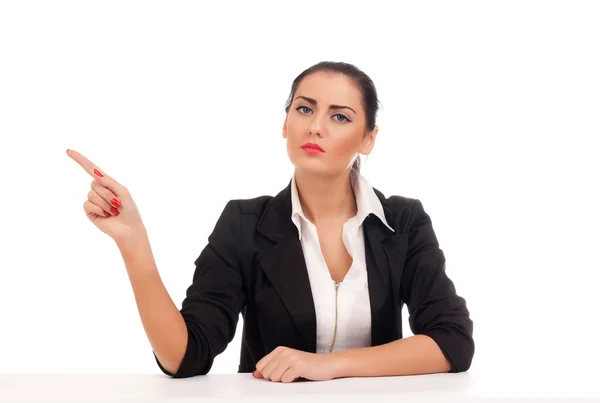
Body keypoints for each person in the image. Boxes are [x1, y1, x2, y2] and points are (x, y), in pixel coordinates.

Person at [67, 61, 474, 383]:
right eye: (304, 108)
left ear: (369, 138)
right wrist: (133, 244)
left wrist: (328, 366)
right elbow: (185, 356)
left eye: (340, 117)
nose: (315, 125)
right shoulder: (244, 223)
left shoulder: (403, 222)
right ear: (285, 123)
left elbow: (452, 342)